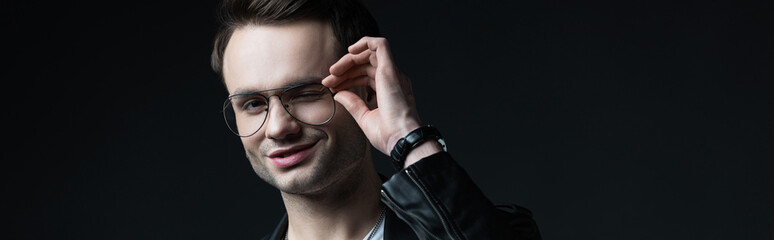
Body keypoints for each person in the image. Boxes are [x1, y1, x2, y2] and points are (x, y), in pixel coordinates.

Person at [210, 0, 541, 239]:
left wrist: (409, 140)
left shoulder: (491, 229)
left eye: (307, 93)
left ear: (370, 91)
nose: (278, 127)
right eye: (253, 103)